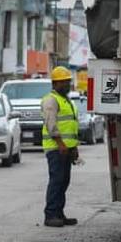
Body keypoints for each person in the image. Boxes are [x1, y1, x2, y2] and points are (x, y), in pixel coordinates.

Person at [42, 66, 80, 227]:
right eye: (63, 82)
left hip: (66, 148)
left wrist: (74, 147)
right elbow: (51, 124)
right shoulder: (51, 100)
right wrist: (60, 144)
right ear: (55, 83)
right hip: (56, 148)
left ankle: (59, 213)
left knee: (64, 181)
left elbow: (71, 125)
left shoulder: (66, 100)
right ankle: (50, 215)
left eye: (68, 82)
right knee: (57, 181)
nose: (66, 85)